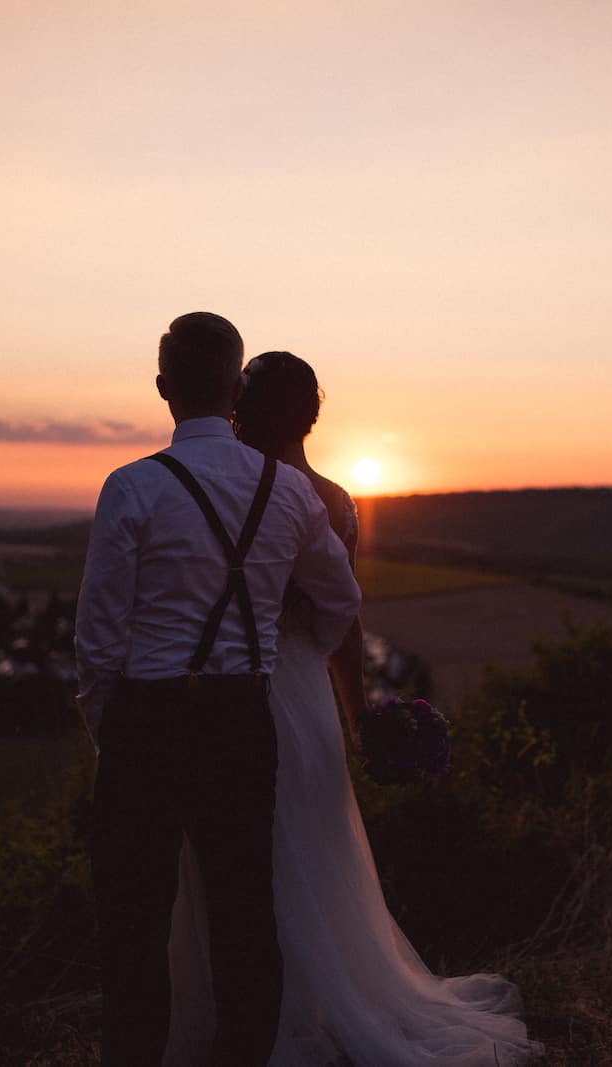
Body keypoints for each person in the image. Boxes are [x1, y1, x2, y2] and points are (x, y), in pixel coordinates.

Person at [163, 351, 543, 1066]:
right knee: (308, 855)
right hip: (305, 701)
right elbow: (341, 626)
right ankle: (307, 1011)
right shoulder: (333, 500)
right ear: (312, 413)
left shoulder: (219, 489)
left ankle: (248, 1023)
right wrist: (359, 716)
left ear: (243, 409)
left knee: (236, 860)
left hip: (226, 694)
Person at [75, 315, 363, 1067]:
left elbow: (99, 640)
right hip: (243, 716)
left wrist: (114, 733)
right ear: (235, 388)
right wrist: (277, 654)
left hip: (148, 717)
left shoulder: (131, 487)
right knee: (244, 912)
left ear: (164, 388)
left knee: (133, 923)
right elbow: (340, 599)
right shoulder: (289, 492)